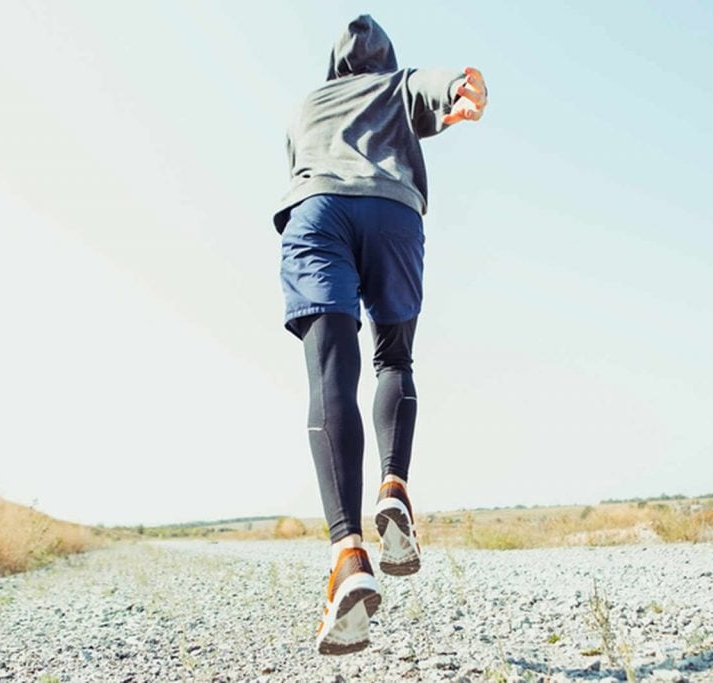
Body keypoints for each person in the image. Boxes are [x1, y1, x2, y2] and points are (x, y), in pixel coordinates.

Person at [273, 15, 487, 655]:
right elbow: (450, 84)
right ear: (386, 59)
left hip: (319, 212)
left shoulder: (307, 105)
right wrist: (465, 94)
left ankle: (348, 554)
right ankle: (394, 486)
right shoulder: (396, 87)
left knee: (331, 373)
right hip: (392, 211)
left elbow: (302, 167)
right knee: (393, 358)